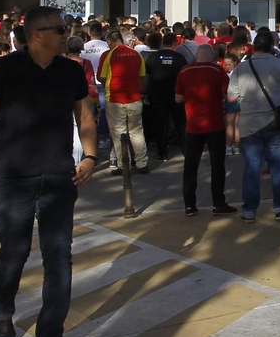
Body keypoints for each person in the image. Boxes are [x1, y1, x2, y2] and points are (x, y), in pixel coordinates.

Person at [0, 7, 96, 337]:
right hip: (13, 178)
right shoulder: (5, 69)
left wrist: (89, 156)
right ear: (37, 34)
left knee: (59, 258)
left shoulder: (70, 70)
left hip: (59, 178)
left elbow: (85, 115)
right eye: (59, 30)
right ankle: (1, 310)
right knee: (14, 251)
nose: (66, 35)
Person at [228, 29, 280, 221]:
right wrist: (278, 57)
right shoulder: (278, 64)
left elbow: (231, 97)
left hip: (249, 124)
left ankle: (249, 211)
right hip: (275, 121)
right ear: (271, 46)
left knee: (251, 169)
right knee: (278, 167)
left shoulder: (241, 68)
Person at [176, 44, 232, 216]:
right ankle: (218, 203)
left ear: (196, 55)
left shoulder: (184, 71)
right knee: (217, 166)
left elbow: (178, 98)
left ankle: (189, 205)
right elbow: (227, 95)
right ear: (211, 55)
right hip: (214, 124)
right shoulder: (217, 71)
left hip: (193, 124)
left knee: (191, 166)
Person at [99, 29, 151, 177]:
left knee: (118, 133)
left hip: (115, 98)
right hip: (134, 98)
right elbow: (142, 75)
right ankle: (142, 163)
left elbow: (101, 77)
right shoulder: (135, 54)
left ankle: (123, 164)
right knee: (137, 132)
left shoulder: (108, 55)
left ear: (109, 41)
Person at [144, 30, 183, 162]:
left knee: (160, 124)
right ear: (174, 44)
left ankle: (162, 153)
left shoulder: (153, 58)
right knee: (180, 122)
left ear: (162, 42)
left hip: (157, 95)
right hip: (175, 94)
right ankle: (186, 149)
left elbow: (146, 74)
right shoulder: (179, 58)